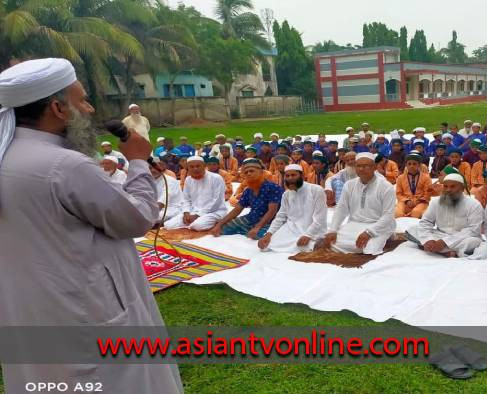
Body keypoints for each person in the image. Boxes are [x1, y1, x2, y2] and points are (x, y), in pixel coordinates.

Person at [0, 58, 182, 393]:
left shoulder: (8, 156)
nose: (90, 107)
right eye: (81, 99)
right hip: (86, 314)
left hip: (30, 311)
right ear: (58, 108)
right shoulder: (64, 165)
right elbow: (137, 217)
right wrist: (139, 161)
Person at [324, 153, 396, 255]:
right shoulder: (349, 185)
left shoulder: (385, 186)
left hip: (379, 225)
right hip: (355, 224)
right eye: (358, 166)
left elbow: (388, 215)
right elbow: (341, 209)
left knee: (369, 249)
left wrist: (369, 233)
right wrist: (333, 230)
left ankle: (385, 237)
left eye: (365, 166)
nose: (361, 169)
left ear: (374, 167)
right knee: (331, 242)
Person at [405, 174, 484, 257]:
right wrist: (428, 239)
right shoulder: (436, 202)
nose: (448, 190)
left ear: (462, 188)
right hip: (439, 235)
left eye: (452, 187)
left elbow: (473, 230)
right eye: (445, 186)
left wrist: (444, 242)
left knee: (474, 242)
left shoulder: (474, 205)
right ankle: (449, 252)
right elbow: (426, 222)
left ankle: (438, 250)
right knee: (413, 229)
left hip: (461, 238)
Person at [257, 164, 327, 253]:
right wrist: (268, 234)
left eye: (293, 175)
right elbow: (280, 217)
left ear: (301, 176)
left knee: (308, 246)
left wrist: (308, 235)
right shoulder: (286, 194)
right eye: (287, 176)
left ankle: (315, 244)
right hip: (291, 229)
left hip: (313, 230)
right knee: (266, 246)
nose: (290, 178)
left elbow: (320, 218)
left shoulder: (316, 190)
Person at [212, 158, 283, 239]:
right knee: (221, 229)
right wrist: (219, 224)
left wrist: (257, 227)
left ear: (261, 172)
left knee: (258, 237)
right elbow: (237, 209)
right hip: (251, 218)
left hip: (269, 222)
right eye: (246, 172)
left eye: (251, 171)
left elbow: (272, 211)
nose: (248, 174)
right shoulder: (248, 190)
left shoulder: (273, 188)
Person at [164, 156, 227, 231]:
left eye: (198, 166)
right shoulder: (188, 180)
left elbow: (217, 201)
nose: (195, 169)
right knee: (168, 225)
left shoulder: (216, 178)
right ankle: (192, 223)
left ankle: (215, 222)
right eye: (191, 167)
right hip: (193, 211)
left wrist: (198, 215)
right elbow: (185, 199)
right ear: (188, 168)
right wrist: (186, 212)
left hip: (214, 211)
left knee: (197, 226)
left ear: (204, 166)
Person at [395, 153, 432, 218]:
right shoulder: (400, 178)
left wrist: (417, 202)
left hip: (420, 202)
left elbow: (427, 194)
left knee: (416, 214)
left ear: (419, 165)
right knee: (397, 214)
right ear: (406, 165)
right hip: (405, 201)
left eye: (414, 164)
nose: (411, 166)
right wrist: (407, 201)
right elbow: (398, 194)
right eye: (409, 164)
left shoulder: (426, 178)